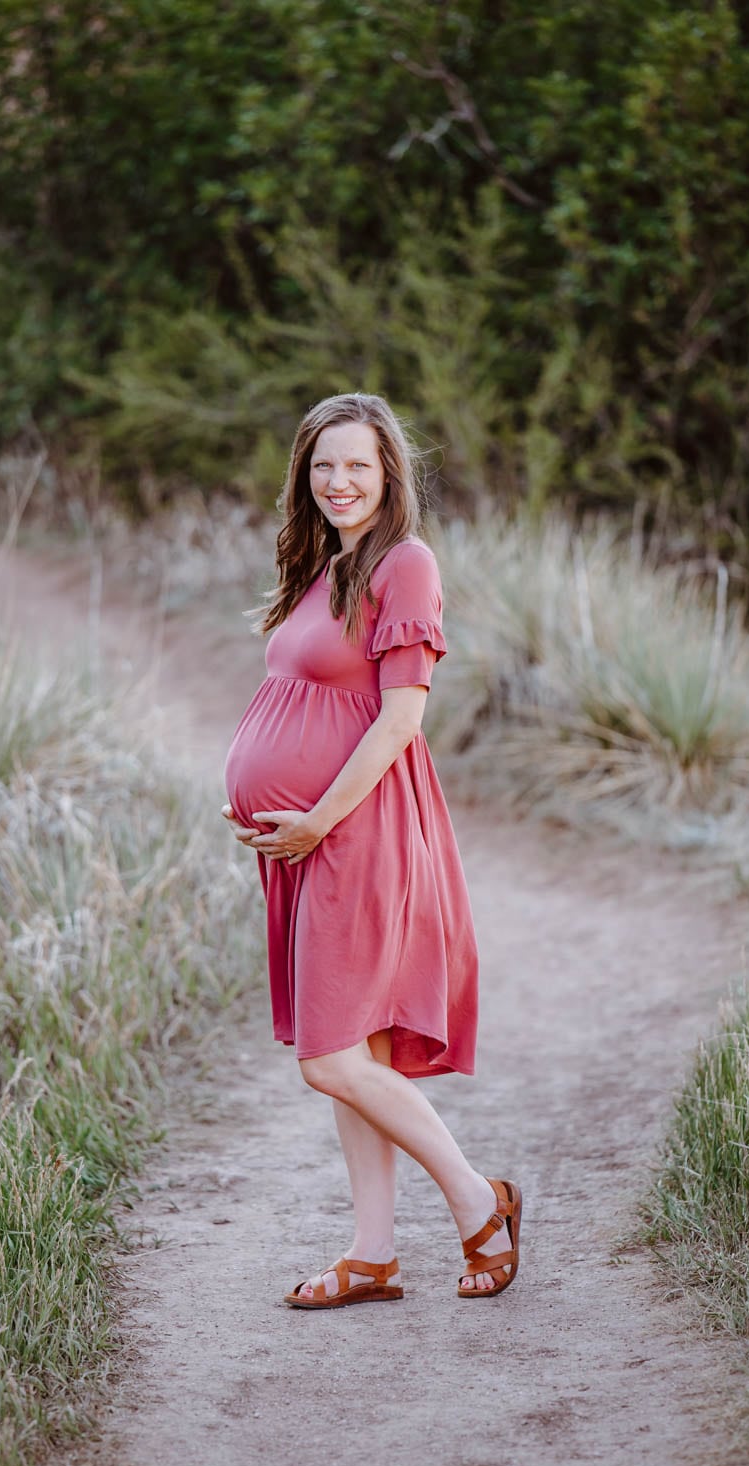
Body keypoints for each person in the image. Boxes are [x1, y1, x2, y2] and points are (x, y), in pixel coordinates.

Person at [222, 392, 520, 1308]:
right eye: (322, 466)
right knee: (359, 1052)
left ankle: (480, 1201)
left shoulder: (406, 564)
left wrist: (314, 819)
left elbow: (401, 719)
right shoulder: (326, 567)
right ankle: (374, 1252)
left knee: (329, 1058)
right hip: (312, 843)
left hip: (362, 830)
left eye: (356, 464)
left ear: (389, 471)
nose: (338, 481)